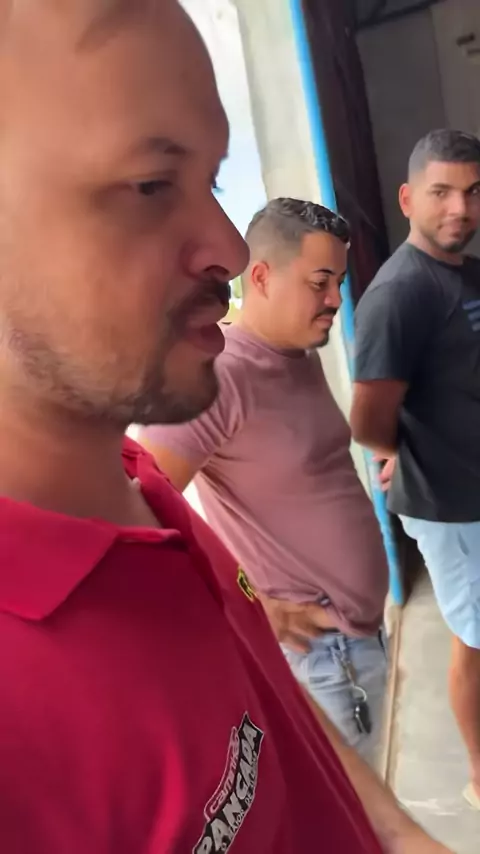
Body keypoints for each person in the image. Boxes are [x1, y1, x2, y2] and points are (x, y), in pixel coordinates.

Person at [0, 3, 452, 851]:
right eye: (150, 184)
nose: (228, 248)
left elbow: (275, 711)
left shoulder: (147, 506)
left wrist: (392, 831)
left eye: (212, 181)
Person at [140, 197, 390, 764]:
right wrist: (249, 606)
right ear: (260, 277)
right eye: (320, 282)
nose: (336, 299)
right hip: (320, 660)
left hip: (354, 644)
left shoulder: (297, 353)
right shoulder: (218, 376)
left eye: (339, 282)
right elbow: (140, 512)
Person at [351, 128, 480, 811]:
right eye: (441, 192)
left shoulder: (465, 273)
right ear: (407, 199)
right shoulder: (399, 294)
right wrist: (398, 455)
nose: (459, 208)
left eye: (473, 192)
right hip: (451, 505)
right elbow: (368, 421)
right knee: (475, 642)